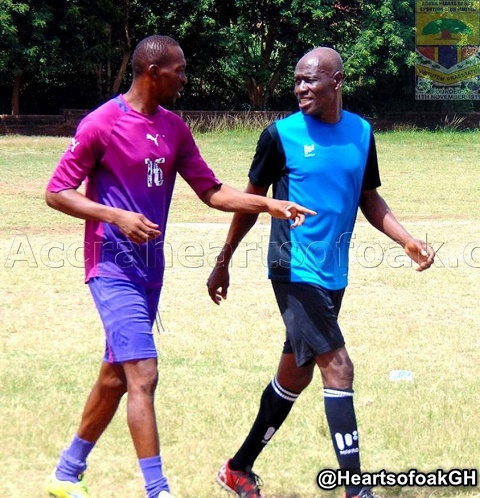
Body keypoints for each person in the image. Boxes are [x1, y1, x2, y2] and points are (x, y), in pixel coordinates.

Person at [44, 34, 315, 498]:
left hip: (152, 271)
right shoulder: (102, 123)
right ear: (153, 72)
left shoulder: (174, 128)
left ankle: (67, 473)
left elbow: (211, 191)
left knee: (116, 375)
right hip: (111, 267)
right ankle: (158, 491)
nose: (186, 79)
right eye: (180, 70)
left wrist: (267, 205)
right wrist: (116, 216)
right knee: (144, 375)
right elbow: (56, 191)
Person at [207, 47, 435, 498]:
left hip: (333, 272)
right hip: (292, 268)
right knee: (339, 367)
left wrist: (406, 239)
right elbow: (252, 202)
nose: (301, 88)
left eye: (311, 80)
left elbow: (368, 197)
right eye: (297, 80)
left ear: (337, 82)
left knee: (296, 374)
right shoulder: (280, 136)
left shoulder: (362, 133)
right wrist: (223, 259)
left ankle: (238, 468)